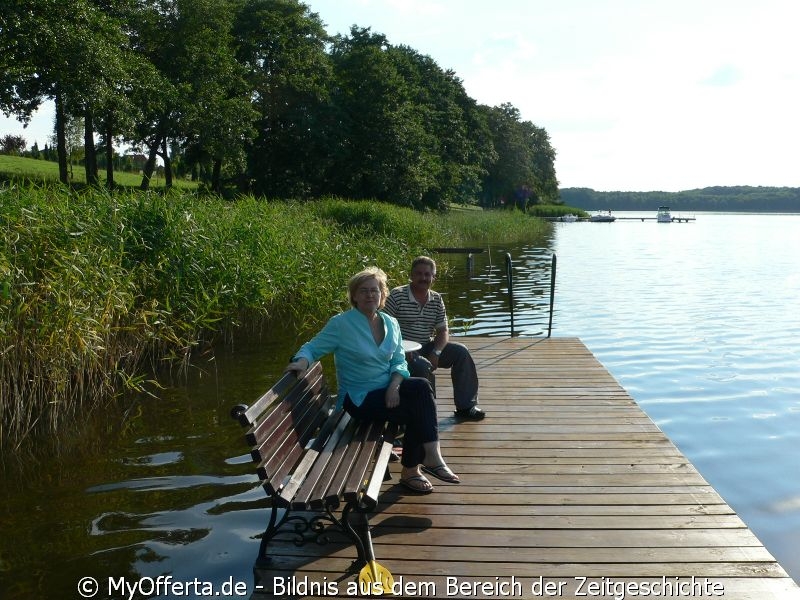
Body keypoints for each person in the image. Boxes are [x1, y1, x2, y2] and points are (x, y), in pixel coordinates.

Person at [284, 266, 459, 494]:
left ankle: (421, 464)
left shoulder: (390, 323)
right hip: (358, 400)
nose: (369, 295)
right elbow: (312, 347)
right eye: (363, 291)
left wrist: (394, 387)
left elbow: (399, 362)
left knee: (420, 390)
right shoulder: (342, 324)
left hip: (386, 393)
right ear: (354, 296)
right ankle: (418, 467)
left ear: (382, 295)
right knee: (419, 402)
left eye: (374, 291)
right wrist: (302, 361)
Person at [383, 256, 485, 420]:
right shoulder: (397, 295)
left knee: (461, 352)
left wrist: (437, 352)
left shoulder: (436, 299)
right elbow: (383, 327)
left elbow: (443, 331)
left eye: (427, 274)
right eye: (418, 274)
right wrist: (399, 350)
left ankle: (466, 406)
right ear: (411, 275)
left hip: (425, 345)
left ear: (433, 278)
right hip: (400, 350)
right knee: (422, 365)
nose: (423, 278)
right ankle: (428, 413)